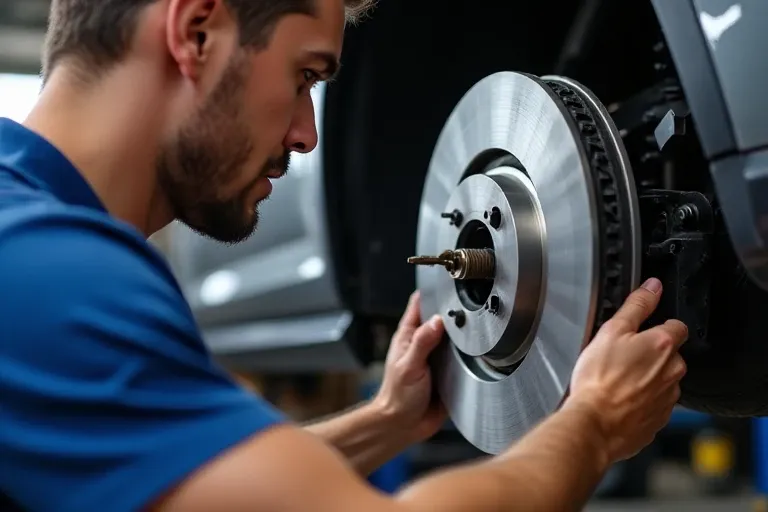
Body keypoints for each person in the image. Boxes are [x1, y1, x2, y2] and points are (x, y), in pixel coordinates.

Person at [0, 0, 689, 510]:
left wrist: (386, 422)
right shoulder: (54, 277)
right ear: (196, 30)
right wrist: (594, 425)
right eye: (303, 76)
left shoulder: (27, 230)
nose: (305, 135)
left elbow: (214, 489)